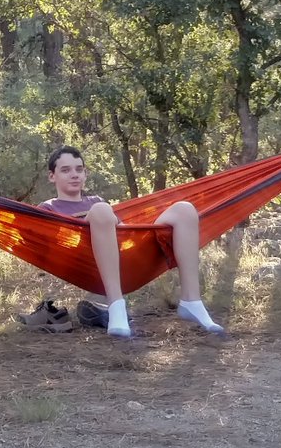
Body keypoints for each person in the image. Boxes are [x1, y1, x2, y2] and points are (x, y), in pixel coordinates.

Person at [39, 145, 224, 339]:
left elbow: (123, 230)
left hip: (123, 254)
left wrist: (135, 238)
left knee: (185, 209)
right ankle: (116, 305)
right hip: (84, 260)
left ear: (85, 174)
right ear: (52, 176)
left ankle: (191, 300)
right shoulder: (48, 208)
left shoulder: (96, 200)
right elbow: (51, 243)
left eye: (79, 169)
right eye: (66, 170)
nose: (74, 175)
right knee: (101, 209)